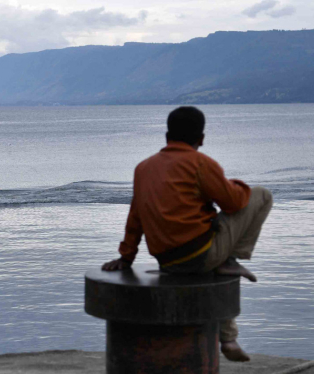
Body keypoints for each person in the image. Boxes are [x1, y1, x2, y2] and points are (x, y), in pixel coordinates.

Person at [102, 106, 273, 362]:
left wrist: (126, 257)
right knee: (261, 195)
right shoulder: (201, 163)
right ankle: (231, 260)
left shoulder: (143, 168)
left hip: (168, 261)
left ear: (166, 135)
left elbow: (135, 216)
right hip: (200, 254)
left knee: (210, 266)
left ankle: (228, 338)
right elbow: (234, 203)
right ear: (201, 138)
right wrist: (235, 185)